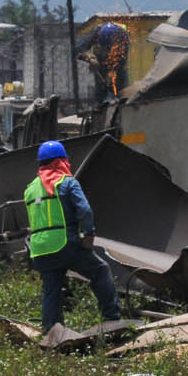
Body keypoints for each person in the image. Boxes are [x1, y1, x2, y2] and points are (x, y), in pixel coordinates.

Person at [24, 140, 122, 334]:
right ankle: (112, 319)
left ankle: (51, 330)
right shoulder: (67, 182)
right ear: (61, 161)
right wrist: (88, 234)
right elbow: (84, 210)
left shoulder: (30, 188)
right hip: (64, 244)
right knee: (100, 271)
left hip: (39, 249)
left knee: (51, 289)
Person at [74, 20, 131, 100]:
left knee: (122, 92)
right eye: (103, 48)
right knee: (101, 90)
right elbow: (78, 49)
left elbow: (122, 60)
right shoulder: (96, 32)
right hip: (100, 63)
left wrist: (112, 72)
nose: (105, 52)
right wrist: (90, 58)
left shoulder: (123, 38)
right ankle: (101, 104)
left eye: (107, 49)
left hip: (118, 66)